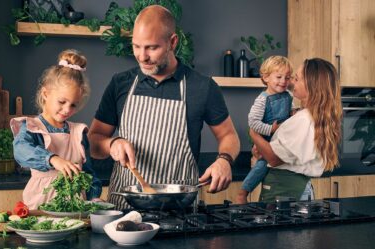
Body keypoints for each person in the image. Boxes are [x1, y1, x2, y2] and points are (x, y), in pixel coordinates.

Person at [88, 5, 240, 210]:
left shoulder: (202, 87)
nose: (142, 56)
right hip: (123, 212)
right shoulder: (120, 83)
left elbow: (228, 135)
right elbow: (94, 142)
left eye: (151, 47)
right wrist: (112, 143)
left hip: (180, 211)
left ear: (172, 42)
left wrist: (224, 160)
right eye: (136, 46)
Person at [10, 49, 102, 209]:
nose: (67, 110)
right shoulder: (32, 126)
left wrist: (94, 198)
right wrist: (53, 159)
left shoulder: (78, 133)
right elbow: (21, 150)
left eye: (73, 104)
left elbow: (88, 173)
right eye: (62, 102)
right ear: (45, 94)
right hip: (40, 207)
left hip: (75, 209)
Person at [243, 58, 342, 202]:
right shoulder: (306, 115)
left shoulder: (303, 119)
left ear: (311, 85)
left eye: (296, 78)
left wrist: (254, 134)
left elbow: (274, 158)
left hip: (286, 191)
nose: (290, 82)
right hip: (291, 190)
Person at [235, 56, 293, 204]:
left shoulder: (289, 96)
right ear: (266, 77)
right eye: (279, 77)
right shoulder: (262, 99)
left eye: (287, 77)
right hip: (267, 140)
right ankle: (243, 192)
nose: (283, 81)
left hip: (281, 140)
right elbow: (253, 122)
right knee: (261, 166)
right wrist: (270, 129)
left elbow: (289, 113)